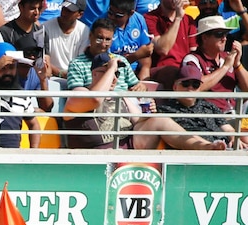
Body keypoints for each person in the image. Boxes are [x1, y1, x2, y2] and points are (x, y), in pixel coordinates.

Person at [64, 53, 225, 150]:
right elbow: (94, 99)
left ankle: (206, 146)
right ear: (93, 74)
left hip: (128, 149)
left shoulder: (122, 97)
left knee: (159, 120)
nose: (113, 78)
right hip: (94, 155)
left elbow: (138, 121)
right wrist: (112, 67)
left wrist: (149, 114)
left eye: (117, 74)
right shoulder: (81, 92)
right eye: (106, 72)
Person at [155, 64, 237, 146]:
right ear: (175, 87)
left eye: (195, 84)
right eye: (185, 84)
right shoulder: (166, 110)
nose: (190, 88)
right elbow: (182, 136)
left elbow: (228, 129)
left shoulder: (210, 106)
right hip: (195, 152)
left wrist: (234, 139)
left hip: (225, 148)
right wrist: (211, 146)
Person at [182, 15, 248, 113]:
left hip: (232, 114)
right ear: (204, 37)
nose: (224, 38)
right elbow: (196, 87)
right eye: (219, 34)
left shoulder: (228, 58)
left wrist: (237, 64)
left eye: (226, 34)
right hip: (206, 117)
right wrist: (225, 67)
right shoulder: (192, 60)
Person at [66, 18, 143, 91]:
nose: (103, 44)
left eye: (108, 39)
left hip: (123, 102)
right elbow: (77, 97)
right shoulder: (77, 65)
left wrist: (141, 88)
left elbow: (136, 86)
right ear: (90, 36)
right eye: (99, 38)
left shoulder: (121, 61)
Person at [144, 0, 196, 72]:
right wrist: (178, 19)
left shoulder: (188, 20)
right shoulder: (150, 18)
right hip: (162, 69)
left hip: (185, 68)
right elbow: (163, 49)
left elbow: (193, 50)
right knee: (172, 71)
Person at [106, 0, 153, 78]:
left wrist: (142, 83)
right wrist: (135, 56)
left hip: (134, 72)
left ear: (131, 13)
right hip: (111, 73)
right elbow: (106, 64)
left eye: (118, 15)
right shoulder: (102, 24)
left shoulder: (139, 20)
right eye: (110, 13)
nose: (112, 17)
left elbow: (145, 58)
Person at [42, 0, 88, 80]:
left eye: (69, 11)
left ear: (80, 15)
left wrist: (71, 75)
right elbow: (42, 58)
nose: (64, 13)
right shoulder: (45, 28)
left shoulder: (84, 31)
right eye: (64, 9)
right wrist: (60, 73)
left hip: (75, 78)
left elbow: (82, 61)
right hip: (50, 77)